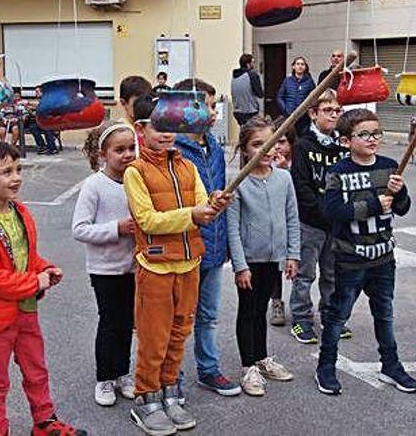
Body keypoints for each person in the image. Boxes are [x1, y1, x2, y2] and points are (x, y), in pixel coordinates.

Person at [0, 141, 86, 436]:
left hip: (25, 310)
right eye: (7, 172)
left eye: (18, 169)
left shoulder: (19, 212)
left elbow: (25, 256)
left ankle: (44, 422)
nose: (17, 177)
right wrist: (34, 282)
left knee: (36, 370)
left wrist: (44, 268)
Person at [124, 94, 232, 435]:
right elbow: (148, 220)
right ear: (141, 129)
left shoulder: (187, 165)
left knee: (178, 335)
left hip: (189, 265)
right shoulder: (135, 171)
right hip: (155, 267)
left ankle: (170, 391)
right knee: (154, 338)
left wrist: (214, 204)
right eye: (159, 126)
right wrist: (193, 215)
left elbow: (202, 204)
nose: (167, 133)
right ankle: (146, 398)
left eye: (172, 126)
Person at [315, 108, 416, 396]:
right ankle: (325, 366)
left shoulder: (389, 166)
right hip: (349, 259)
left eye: (376, 133)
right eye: (364, 135)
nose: (372, 139)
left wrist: (400, 194)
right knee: (338, 316)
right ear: (347, 141)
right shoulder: (338, 172)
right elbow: (332, 211)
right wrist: (375, 204)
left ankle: (391, 365)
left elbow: (402, 208)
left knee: (384, 314)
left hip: (384, 258)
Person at [172, 78, 242, 397]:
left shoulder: (213, 144)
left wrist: (225, 240)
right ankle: (171, 377)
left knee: (209, 316)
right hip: (184, 248)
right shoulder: (172, 149)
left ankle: (209, 370)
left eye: (214, 104)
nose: (214, 111)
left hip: (213, 247)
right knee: (178, 318)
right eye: (207, 104)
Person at [228, 117, 299, 396]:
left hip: (273, 259)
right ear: (245, 149)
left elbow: (292, 218)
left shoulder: (284, 177)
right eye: (258, 144)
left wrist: (292, 254)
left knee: (261, 311)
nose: (266, 149)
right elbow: (232, 229)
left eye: (271, 142)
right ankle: (248, 366)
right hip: (249, 261)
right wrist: (240, 266)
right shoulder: (238, 183)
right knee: (248, 311)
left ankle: (262, 357)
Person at [72, 122, 138, 407]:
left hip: (134, 267)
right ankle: (105, 378)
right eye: (119, 150)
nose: (127, 155)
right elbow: (80, 229)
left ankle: (123, 373)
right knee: (110, 322)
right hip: (105, 269)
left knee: (128, 323)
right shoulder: (94, 185)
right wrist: (117, 229)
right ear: (103, 153)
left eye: (131, 148)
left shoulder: (137, 180)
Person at [289, 90, 349, 344]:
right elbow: (301, 184)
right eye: (327, 110)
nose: (333, 115)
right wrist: (322, 211)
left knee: (332, 272)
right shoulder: (303, 145)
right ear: (313, 114)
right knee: (305, 273)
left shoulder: (342, 146)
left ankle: (329, 313)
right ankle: (301, 318)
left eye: (337, 110)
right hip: (311, 222)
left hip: (336, 224)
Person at [268, 115, 296, 326]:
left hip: (294, 221)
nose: (277, 147)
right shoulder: (265, 162)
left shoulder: (295, 163)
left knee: (298, 265)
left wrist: (286, 169)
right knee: (275, 265)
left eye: (282, 142)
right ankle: (276, 301)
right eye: (274, 141)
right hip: (274, 223)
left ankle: (300, 303)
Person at [277, 56, 316, 136]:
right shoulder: (287, 80)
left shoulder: (309, 82)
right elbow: (279, 97)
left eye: (302, 64)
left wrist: (307, 110)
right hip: (288, 117)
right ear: (293, 66)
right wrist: (285, 109)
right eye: (297, 64)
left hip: (303, 119)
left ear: (305, 67)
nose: (300, 66)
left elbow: (314, 99)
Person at [231, 53, 264, 128]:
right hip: (250, 111)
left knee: (243, 132)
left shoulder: (234, 76)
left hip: (237, 111)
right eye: (252, 62)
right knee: (251, 133)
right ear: (248, 64)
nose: (253, 64)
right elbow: (260, 94)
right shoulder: (252, 75)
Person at [25, 86, 59, 155]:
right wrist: (31, 111)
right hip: (41, 122)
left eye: (37, 92)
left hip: (51, 122)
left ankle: (52, 148)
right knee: (33, 127)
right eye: (35, 92)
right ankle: (42, 146)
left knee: (47, 128)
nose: (36, 94)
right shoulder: (38, 101)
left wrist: (29, 104)